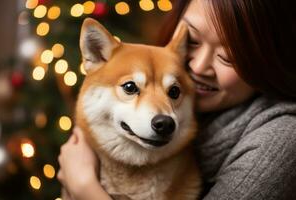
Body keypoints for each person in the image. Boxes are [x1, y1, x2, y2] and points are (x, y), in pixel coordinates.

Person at [57, 0, 296, 199]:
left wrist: (85, 189)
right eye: (191, 40)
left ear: (266, 62)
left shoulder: (280, 140)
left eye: (228, 57)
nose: (198, 67)